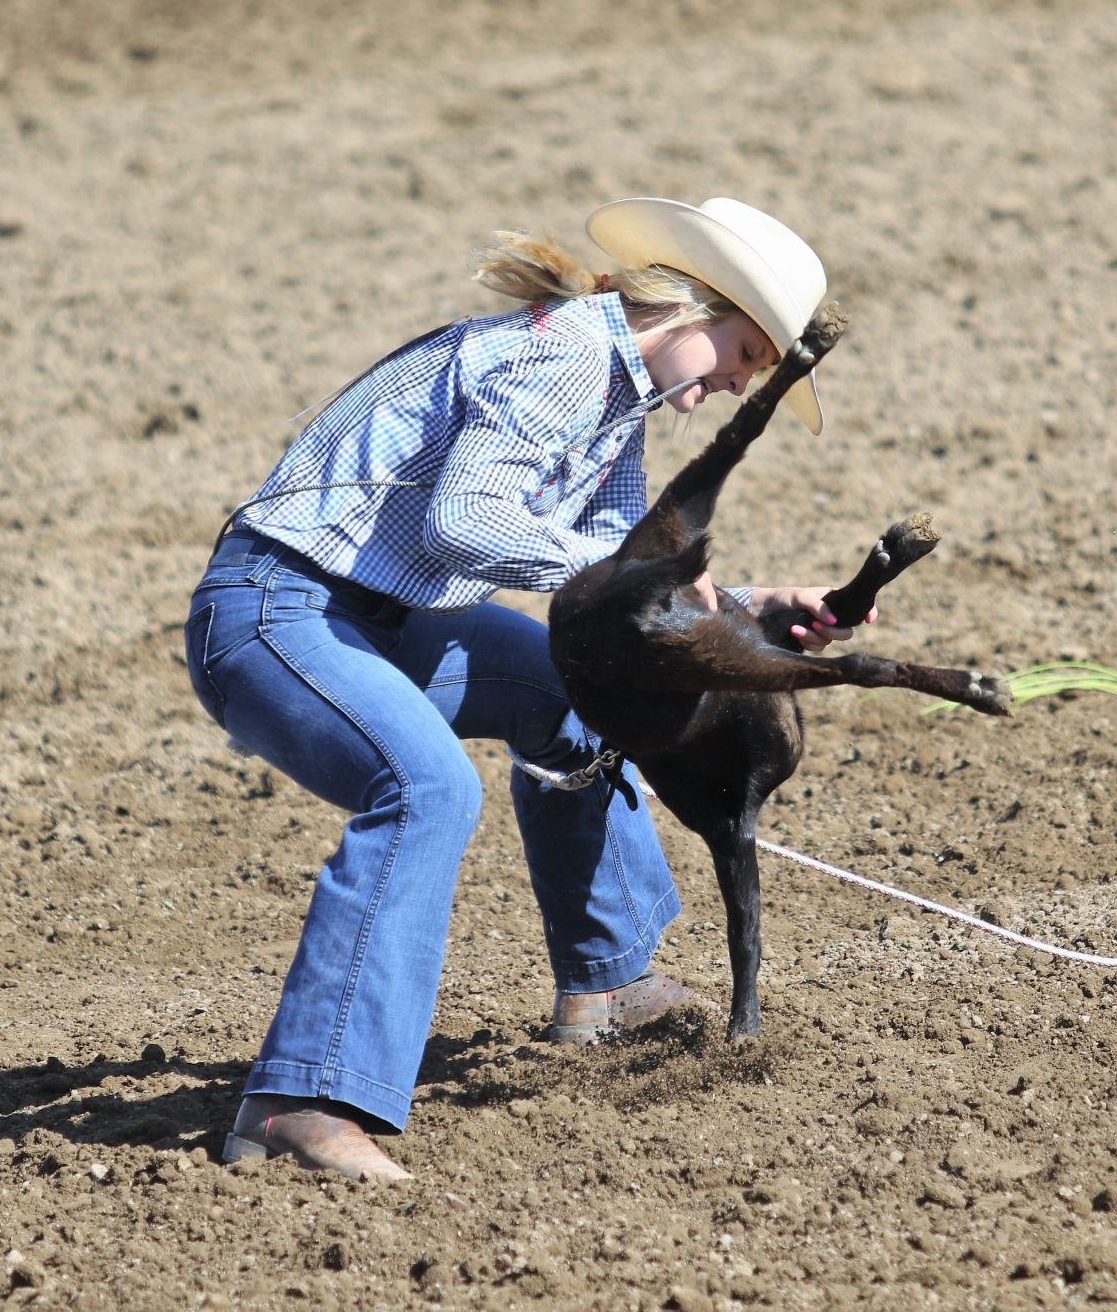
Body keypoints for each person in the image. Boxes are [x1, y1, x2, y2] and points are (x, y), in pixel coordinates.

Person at [183, 196, 869, 1181]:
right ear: (689, 305)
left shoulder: (609, 395)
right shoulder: (565, 358)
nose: (738, 382)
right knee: (426, 788)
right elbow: (466, 523)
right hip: (274, 609)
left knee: (569, 689)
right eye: (745, 352)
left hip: (373, 614)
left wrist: (760, 606)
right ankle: (302, 1100)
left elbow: (619, 583)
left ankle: (609, 981)